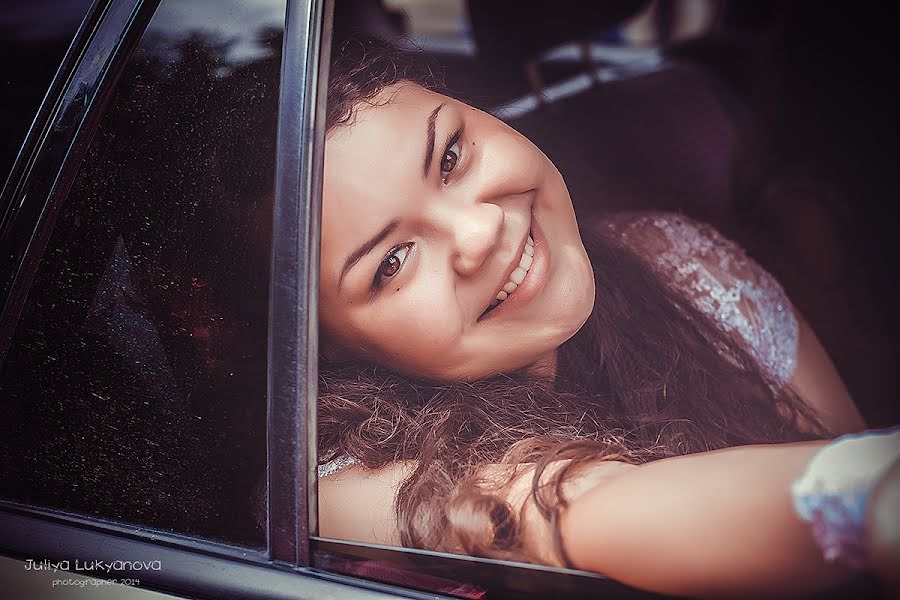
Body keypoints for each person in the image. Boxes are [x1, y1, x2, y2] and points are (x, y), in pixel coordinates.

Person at [314, 35, 885, 596]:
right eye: (391, 262)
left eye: (451, 156)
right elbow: (569, 508)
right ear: (328, 347)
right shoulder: (344, 487)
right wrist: (864, 498)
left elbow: (839, 440)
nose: (480, 231)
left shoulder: (673, 261)